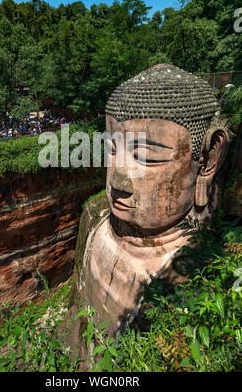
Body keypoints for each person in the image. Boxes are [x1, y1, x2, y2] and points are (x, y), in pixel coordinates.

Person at [73, 64, 230, 336]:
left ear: (208, 160)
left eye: (145, 157)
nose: (117, 182)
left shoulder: (197, 274)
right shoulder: (94, 221)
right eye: (112, 150)